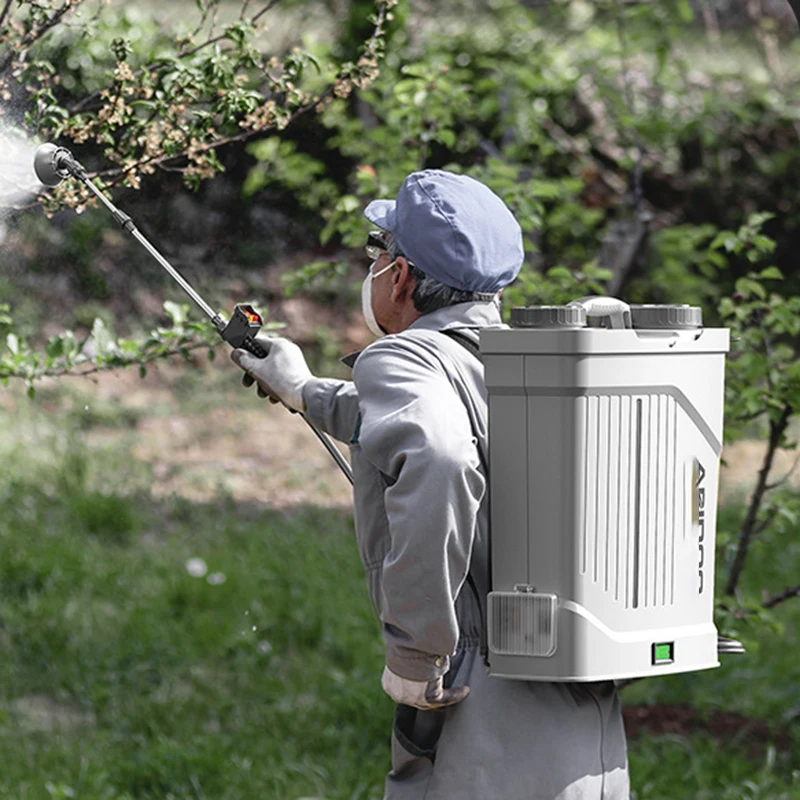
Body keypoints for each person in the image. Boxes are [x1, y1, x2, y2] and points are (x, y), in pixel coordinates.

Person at [232, 170, 630, 800]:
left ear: (404, 278)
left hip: (482, 705)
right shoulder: (524, 359)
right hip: (582, 719)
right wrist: (305, 390)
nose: (374, 266)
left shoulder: (403, 359)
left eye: (379, 252)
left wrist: (418, 656)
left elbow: (440, 454)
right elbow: (427, 420)